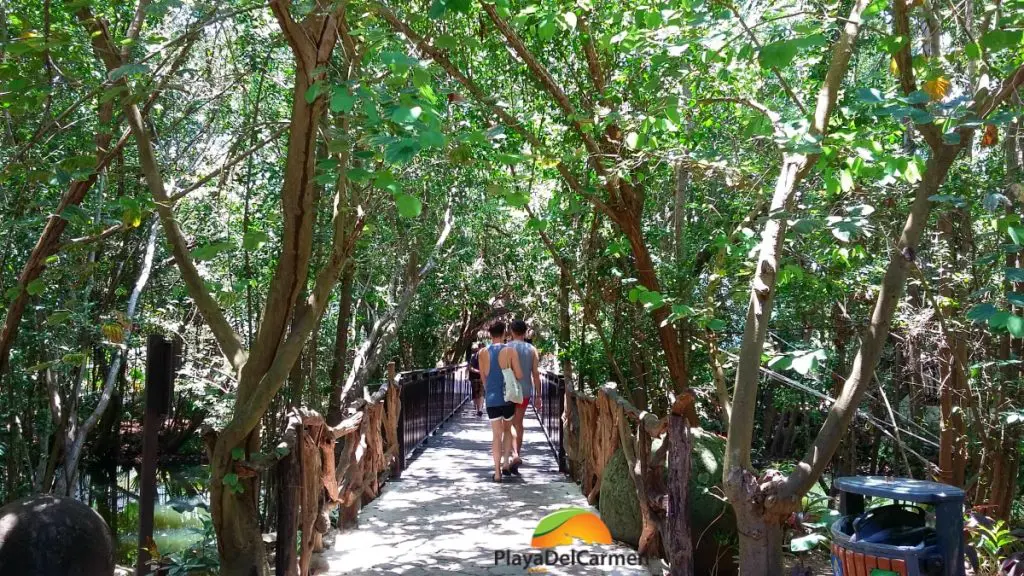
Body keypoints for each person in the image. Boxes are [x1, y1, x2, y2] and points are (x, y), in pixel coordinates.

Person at [479, 321, 523, 482]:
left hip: (492, 399)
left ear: (490, 334)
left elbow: (483, 378)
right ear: (505, 333)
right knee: (507, 430)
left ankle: (497, 473)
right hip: (508, 398)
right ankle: (505, 463)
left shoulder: (482, 353)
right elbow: (518, 375)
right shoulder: (510, 351)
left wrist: (491, 389)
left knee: (496, 435)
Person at [507, 319, 541, 469]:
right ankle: (517, 454)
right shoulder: (532, 350)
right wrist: (539, 395)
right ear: (525, 331)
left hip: (508, 391)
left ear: (512, 332)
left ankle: (512, 455)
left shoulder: (506, 348)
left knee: (508, 423)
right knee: (519, 423)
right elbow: (536, 374)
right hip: (525, 390)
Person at [467, 343, 484, 417]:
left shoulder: (487, 356)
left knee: (481, 393)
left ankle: (479, 410)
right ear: (478, 348)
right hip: (475, 378)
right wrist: (479, 371)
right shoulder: (474, 357)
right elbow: (470, 368)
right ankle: (478, 409)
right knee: (476, 394)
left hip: (482, 378)